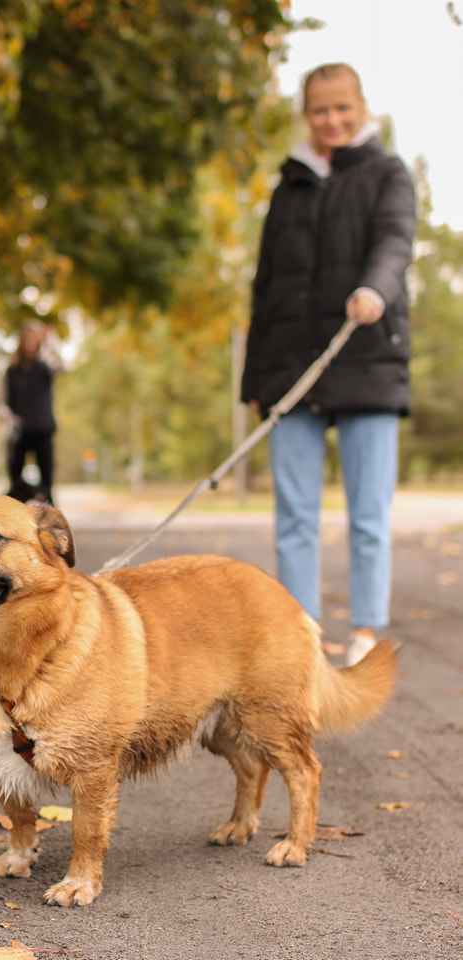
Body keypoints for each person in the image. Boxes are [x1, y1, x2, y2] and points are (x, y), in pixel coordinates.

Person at [240, 63, 416, 666]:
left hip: (367, 358)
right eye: (321, 110)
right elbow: (265, 288)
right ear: (305, 114)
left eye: (343, 108)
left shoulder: (388, 173)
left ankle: (366, 631)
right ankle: (302, 640)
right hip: (293, 371)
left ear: (362, 107)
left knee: (368, 514)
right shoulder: (288, 187)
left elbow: (395, 242)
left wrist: (374, 288)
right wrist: (258, 381)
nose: (333, 120)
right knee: (295, 517)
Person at [3, 323, 61, 504]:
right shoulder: (13, 371)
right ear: (21, 342)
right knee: (15, 480)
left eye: (33, 339)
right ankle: (14, 517)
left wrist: (51, 341)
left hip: (43, 428)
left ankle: (50, 516)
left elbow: (61, 366)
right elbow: (8, 402)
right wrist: (9, 417)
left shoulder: (44, 367)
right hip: (20, 430)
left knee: (46, 481)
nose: (30, 342)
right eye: (27, 339)